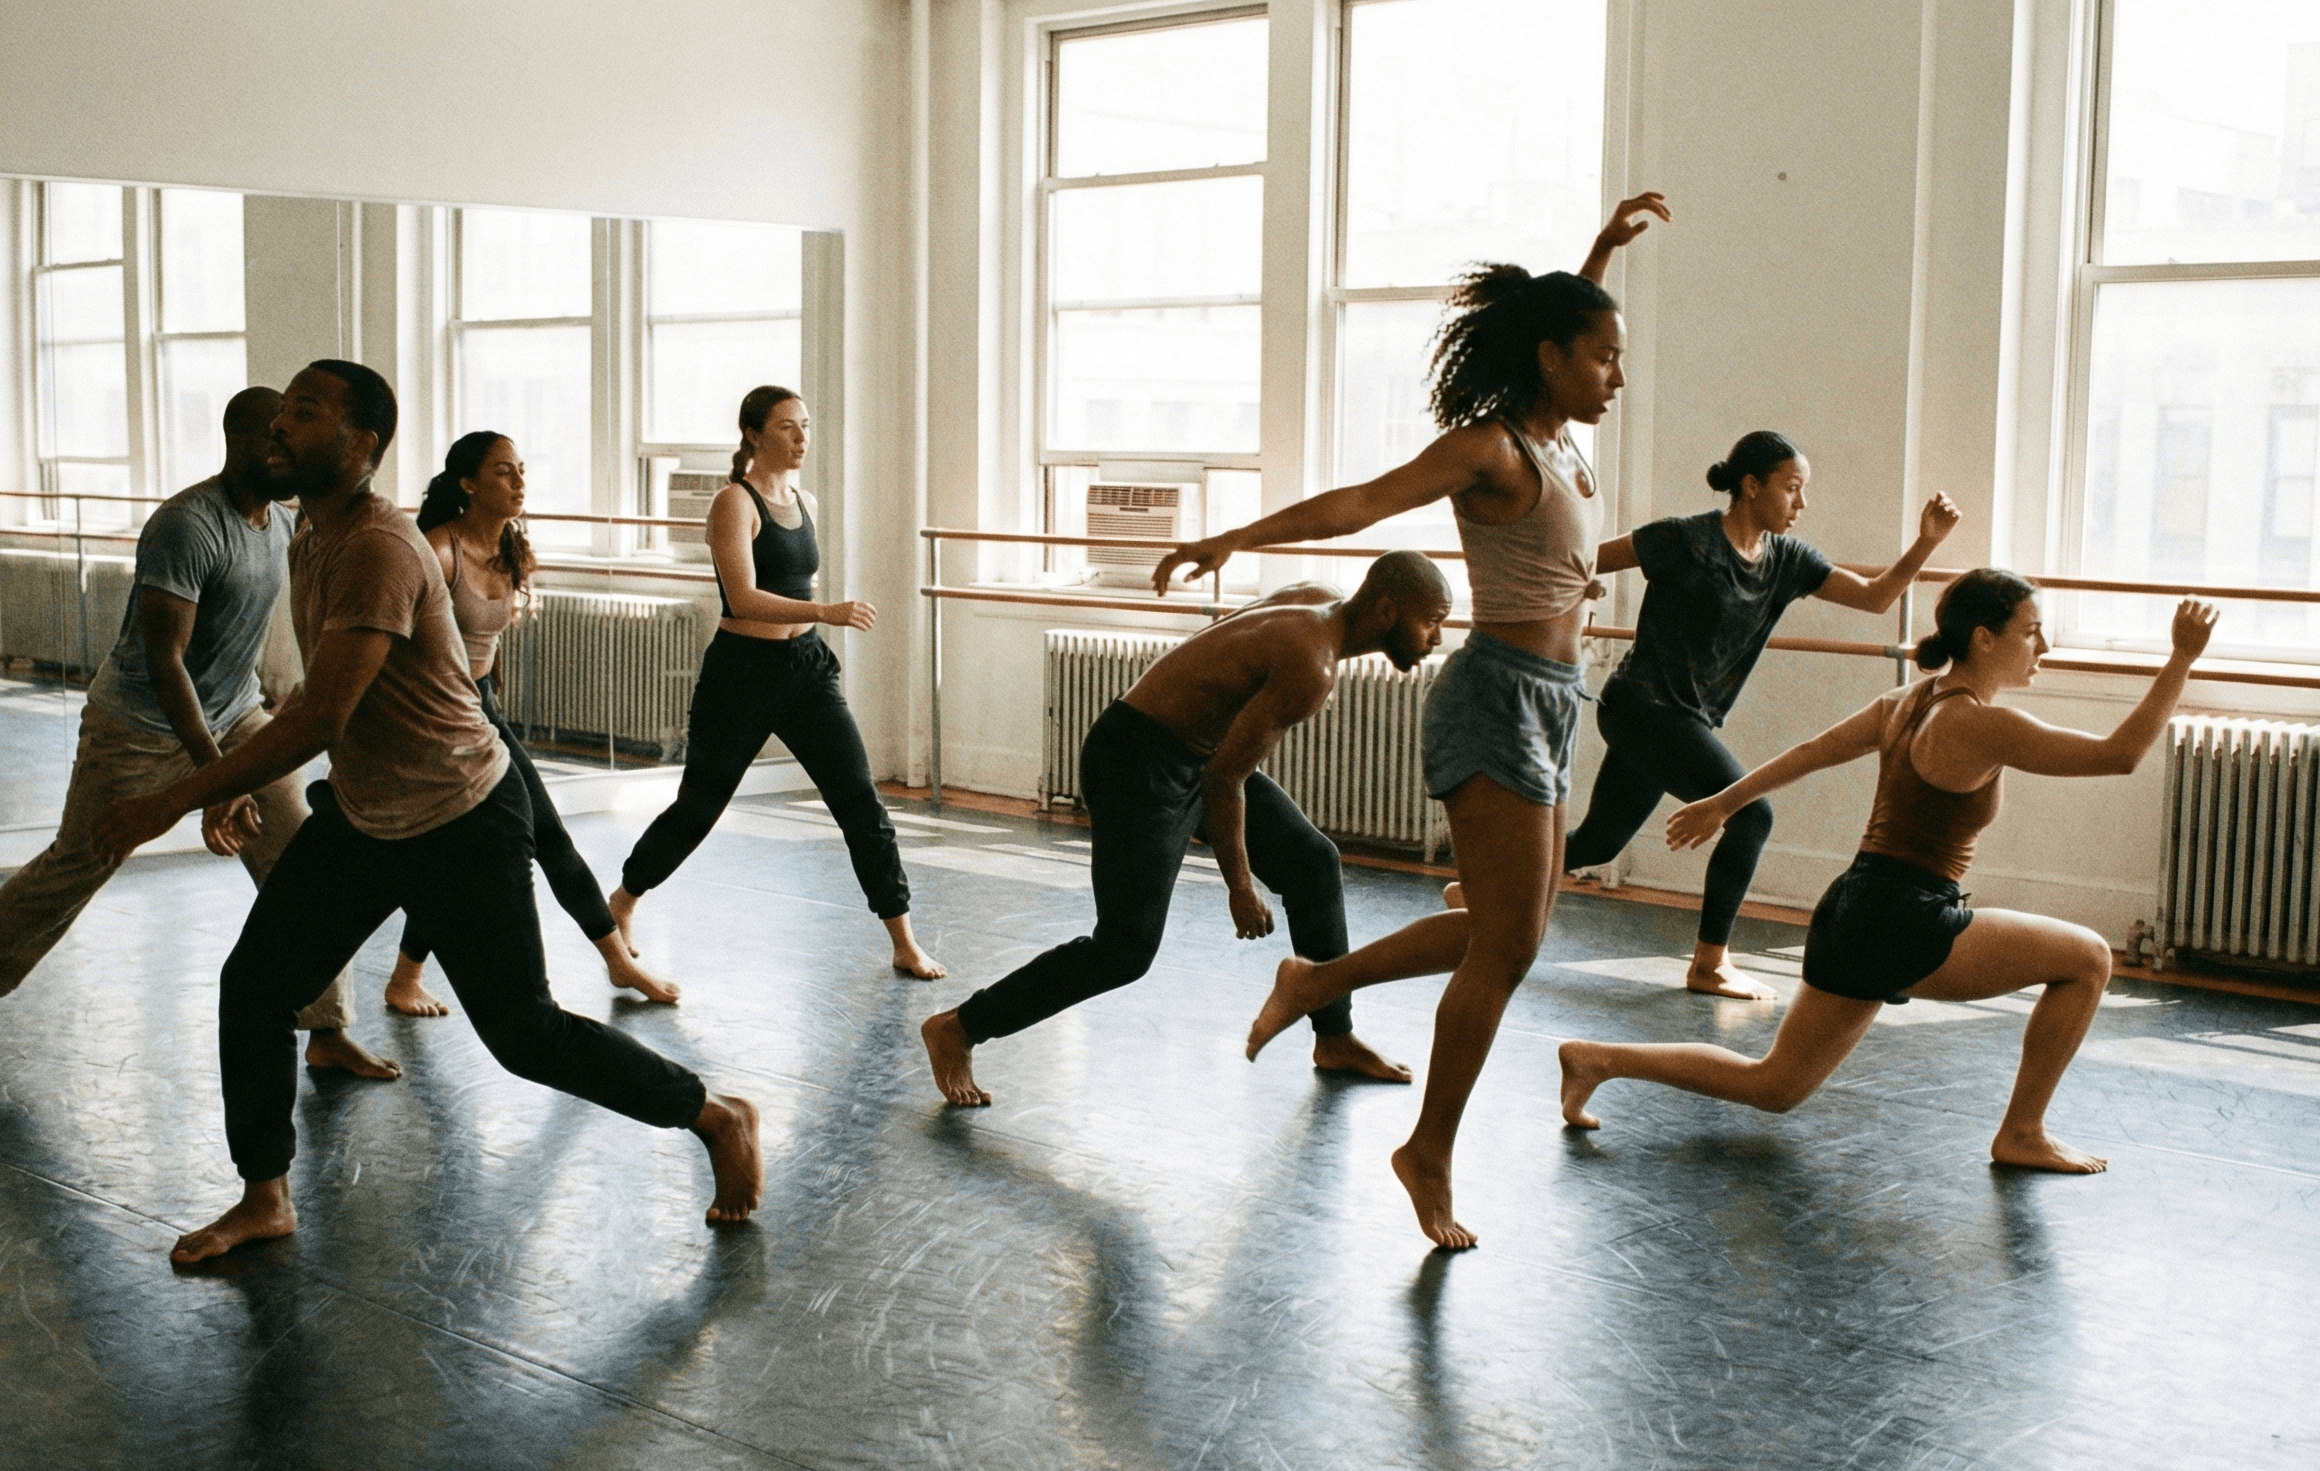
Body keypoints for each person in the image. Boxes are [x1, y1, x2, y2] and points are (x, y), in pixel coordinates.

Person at [91, 361, 761, 1263]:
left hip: (461, 816)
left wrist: (169, 799)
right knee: (252, 988)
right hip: (367, 816)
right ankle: (265, 1197)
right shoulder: (310, 534)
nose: (280, 426)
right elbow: (327, 715)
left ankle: (714, 1115)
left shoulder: (377, 546)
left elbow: (321, 715)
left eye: (305, 413)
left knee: (524, 1036)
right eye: (282, 410)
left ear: (361, 444)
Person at [1161, 193, 1669, 1249]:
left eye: (1617, 355)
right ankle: (1426, 1152)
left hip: (1553, 703)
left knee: (1501, 933)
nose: (1617, 373)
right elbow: (1357, 504)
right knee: (1512, 945)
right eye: (1604, 357)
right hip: (1492, 702)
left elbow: (1554, 323)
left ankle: (1319, 981)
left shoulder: (1562, 438)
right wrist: (1231, 542)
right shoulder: (1490, 450)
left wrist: (1600, 254)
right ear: (1551, 360)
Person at [1555, 575, 2221, 1175]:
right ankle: (2022, 1132)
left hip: (1851, 908)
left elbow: (1813, 752)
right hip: (1906, 917)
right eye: (2031, 631)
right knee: (2088, 959)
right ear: (1986, 640)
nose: (2043, 644)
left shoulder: (1908, 701)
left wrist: (1724, 801)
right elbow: (2121, 755)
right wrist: (2182, 657)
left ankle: (1598, 1057)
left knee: (1775, 1086)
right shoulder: (1982, 724)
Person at [0, 388, 392, 1078]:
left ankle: (323, 1028)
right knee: (79, 862)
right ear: (242, 443)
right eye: (278, 441)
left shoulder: (281, 523)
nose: (288, 453)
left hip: (235, 714)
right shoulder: (186, 524)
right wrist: (212, 782)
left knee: (303, 862)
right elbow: (163, 657)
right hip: (138, 725)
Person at [920, 552, 1456, 1105]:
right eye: (1432, 621)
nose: (1437, 637)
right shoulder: (1313, 665)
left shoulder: (1316, 597)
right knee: (1124, 950)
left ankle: (1334, 1036)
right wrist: (1240, 886)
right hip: (1137, 759)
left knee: (1311, 863)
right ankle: (958, 1028)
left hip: (1192, 755)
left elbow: (1222, 674)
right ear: (1387, 609)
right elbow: (1226, 780)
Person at [1501, 431, 1964, 1001]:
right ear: (1751, 486)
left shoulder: (1788, 561)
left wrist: (1925, 543)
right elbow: (1579, 560)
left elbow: (1874, 597)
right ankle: (1709, 963)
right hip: (1640, 708)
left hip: (1675, 721)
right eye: (1792, 488)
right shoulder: (1682, 539)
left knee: (1599, 843)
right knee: (1752, 814)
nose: (1801, 503)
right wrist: (1574, 598)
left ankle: (1488, 889)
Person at [607, 385, 944, 981]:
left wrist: (818, 623)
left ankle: (903, 939)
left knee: (860, 803)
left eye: (806, 426)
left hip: (806, 672)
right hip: (741, 673)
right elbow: (741, 598)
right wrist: (826, 612)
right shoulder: (732, 503)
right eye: (787, 427)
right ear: (754, 434)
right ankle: (624, 900)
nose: (801, 438)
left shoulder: (803, 498)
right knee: (699, 807)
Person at [380, 430, 680, 1015]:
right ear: (467, 484)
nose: (519, 482)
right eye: (502, 472)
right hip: (435, 718)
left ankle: (405, 978)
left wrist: (491, 695)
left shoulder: (511, 549)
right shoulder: (437, 551)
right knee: (515, 840)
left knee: (485, 850)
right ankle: (616, 960)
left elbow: (485, 644)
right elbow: (394, 646)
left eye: (521, 469)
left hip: (481, 710)